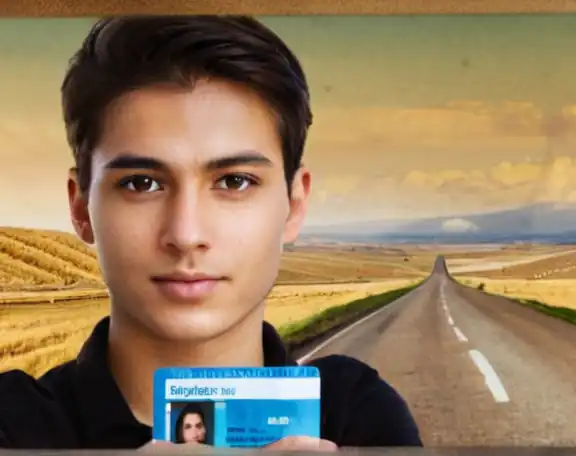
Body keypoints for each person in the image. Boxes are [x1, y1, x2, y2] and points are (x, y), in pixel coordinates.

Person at [0, 15, 423, 450]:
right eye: (141, 183)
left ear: (294, 206)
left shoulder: (354, 412)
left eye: (234, 181)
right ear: (80, 207)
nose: (186, 234)